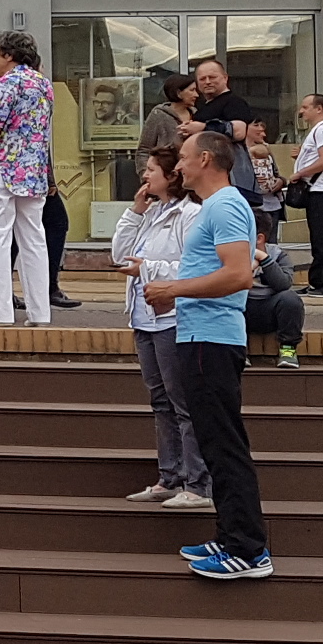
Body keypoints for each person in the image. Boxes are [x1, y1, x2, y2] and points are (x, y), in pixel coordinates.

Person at [145, 132, 270, 581]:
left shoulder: (225, 204)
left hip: (212, 341)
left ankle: (248, 550)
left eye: (182, 158)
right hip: (200, 337)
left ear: (204, 159)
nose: (177, 166)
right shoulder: (214, 207)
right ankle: (231, 536)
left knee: (224, 443)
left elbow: (238, 274)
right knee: (215, 443)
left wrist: (173, 290)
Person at [113, 147, 208, 510]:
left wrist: (148, 269)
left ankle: (196, 482)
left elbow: (193, 267)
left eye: (152, 170)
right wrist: (134, 212)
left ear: (171, 176)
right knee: (160, 401)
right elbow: (121, 256)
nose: (145, 176)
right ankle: (169, 476)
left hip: (172, 317)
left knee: (181, 401)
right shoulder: (152, 212)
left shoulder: (191, 215)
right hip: (144, 317)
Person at [0, 32, 54, 328]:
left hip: (2, 168)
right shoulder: (43, 84)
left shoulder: (6, 84)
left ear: (9, 55)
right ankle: (40, 313)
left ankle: (1, 313)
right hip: (33, 171)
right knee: (34, 240)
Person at [287, 94, 323, 298]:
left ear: (318, 108)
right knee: (318, 237)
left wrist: (300, 173)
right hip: (317, 190)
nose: (301, 111)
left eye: (305, 107)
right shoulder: (317, 131)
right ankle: (318, 281)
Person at [185, 60, 263, 208]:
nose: (207, 82)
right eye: (202, 79)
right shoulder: (202, 107)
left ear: (225, 78)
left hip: (229, 180)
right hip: (207, 179)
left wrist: (202, 128)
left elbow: (239, 131)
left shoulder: (234, 102)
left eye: (212, 77)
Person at [246, 233, 307, 368]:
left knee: (290, 299)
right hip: (244, 308)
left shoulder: (279, 255)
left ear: (259, 238)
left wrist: (263, 259)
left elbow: (283, 284)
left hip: (271, 309)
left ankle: (288, 349)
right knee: (227, 298)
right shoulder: (230, 252)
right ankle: (239, 349)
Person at [141, 73, 199, 167]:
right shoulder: (159, 115)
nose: (196, 95)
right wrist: (146, 176)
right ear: (178, 93)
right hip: (166, 176)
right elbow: (144, 150)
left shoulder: (197, 115)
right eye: (192, 90)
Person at [248, 138, 285, 245]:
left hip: (272, 204)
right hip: (253, 204)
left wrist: (281, 181)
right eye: (256, 125)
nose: (262, 132)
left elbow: (276, 173)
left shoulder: (268, 154)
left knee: (271, 243)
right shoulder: (239, 154)